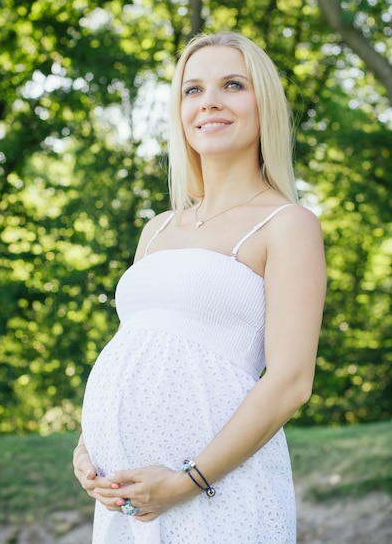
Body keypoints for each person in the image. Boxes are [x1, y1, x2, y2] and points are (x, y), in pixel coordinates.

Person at [73, 30, 326, 543]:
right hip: (131, 502)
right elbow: (136, 345)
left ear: (264, 105)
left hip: (219, 491)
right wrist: (88, 444)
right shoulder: (158, 229)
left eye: (232, 84)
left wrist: (191, 480)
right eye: (193, 90)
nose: (209, 101)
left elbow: (291, 381)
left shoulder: (287, 223)